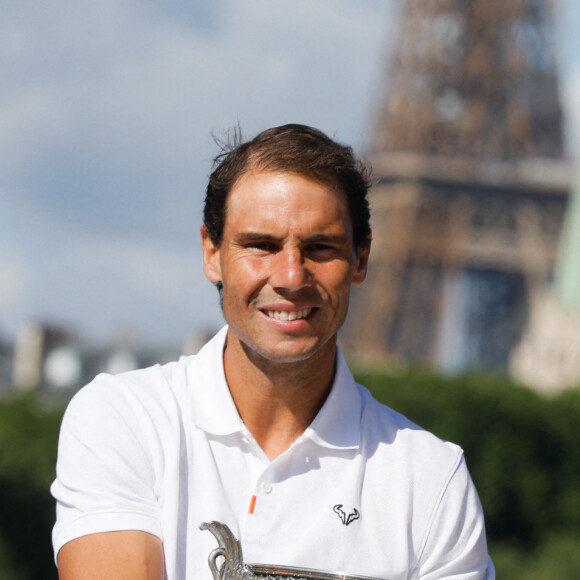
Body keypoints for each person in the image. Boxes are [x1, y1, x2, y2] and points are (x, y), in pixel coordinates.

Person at [51, 124, 495, 579]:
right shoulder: (122, 418)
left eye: (319, 248)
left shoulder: (431, 476)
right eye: (261, 246)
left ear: (361, 260)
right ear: (211, 252)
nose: (290, 275)